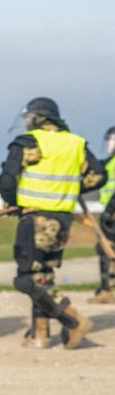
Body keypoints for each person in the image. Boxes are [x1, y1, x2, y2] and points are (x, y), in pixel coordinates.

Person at [0, 97, 105, 349]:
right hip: (62, 219)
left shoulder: (29, 142)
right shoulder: (75, 143)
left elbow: (7, 179)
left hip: (35, 218)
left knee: (27, 279)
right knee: (43, 274)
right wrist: (68, 188)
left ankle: (72, 319)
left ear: (39, 117)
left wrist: (12, 202)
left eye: (29, 117)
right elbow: (98, 175)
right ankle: (40, 333)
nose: (27, 122)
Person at [89, 126, 115, 304]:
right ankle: (105, 286)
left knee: (108, 250)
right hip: (108, 210)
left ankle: (108, 288)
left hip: (112, 212)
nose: (107, 144)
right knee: (103, 249)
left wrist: (108, 211)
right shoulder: (108, 163)